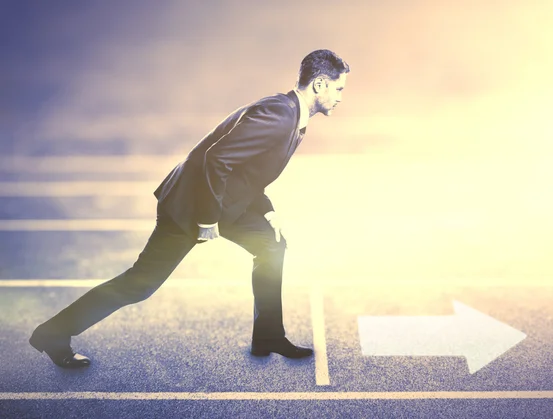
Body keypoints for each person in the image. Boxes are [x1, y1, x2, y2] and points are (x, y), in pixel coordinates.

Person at [29, 49, 350, 368]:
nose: (340, 97)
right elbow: (218, 158)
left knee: (272, 244)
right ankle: (53, 333)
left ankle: (267, 334)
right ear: (319, 84)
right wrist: (208, 219)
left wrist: (266, 209)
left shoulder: (292, 116)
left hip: (225, 202)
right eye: (338, 89)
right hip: (191, 205)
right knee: (139, 284)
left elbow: (248, 171)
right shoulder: (278, 116)